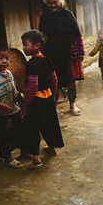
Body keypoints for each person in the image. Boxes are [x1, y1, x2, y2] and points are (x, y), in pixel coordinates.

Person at [20, 30, 64, 169]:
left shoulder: (32, 63)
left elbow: (32, 86)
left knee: (32, 128)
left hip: (36, 100)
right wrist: (54, 96)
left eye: (26, 44)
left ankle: (36, 159)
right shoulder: (47, 60)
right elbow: (54, 79)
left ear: (37, 45)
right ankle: (52, 147)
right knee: (49, 123)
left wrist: (26, 103)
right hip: (48, 97)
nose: (24, 48)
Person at [39, 0, 84, 116]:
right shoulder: (44, 17)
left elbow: (78, 34)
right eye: (50, 3)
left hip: (69, 49)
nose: (53, 5)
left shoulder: (68, 15)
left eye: (55, 2)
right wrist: (41, 52)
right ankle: (55, 105)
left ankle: (72, 104)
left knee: (71, 79)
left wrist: (81, 51)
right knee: (53, 79)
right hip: (51, 50)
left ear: (61, 1)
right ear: (46, 3)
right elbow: (41, 36)